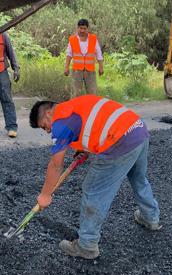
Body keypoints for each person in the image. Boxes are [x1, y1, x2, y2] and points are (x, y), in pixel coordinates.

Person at [29, 95, 159, 260]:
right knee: (138, 178)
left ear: (48, 113)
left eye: (44, 126)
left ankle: (87, 245)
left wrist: (45, 195)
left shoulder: (61, 121)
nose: (48, 131)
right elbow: (95, 124)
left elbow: (56, 165)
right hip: (138, 130)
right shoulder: (76, 105)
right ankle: (150, 217)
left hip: (119, 142)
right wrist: (85, 149)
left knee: (93, 190)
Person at [64, 19, 103, 95]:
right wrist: (66, 67)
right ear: (77, 28)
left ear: (87, 29)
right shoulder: (72, 39)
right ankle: (76, 107)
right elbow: (69, 54)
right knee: (76, 93)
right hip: (76, 71)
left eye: (84, 28)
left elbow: (99, 54)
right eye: (80, 28)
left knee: (92, 93)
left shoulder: (93, 38)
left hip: (90, 71)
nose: (82, 30)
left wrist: (101, 67)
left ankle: (91, 107)